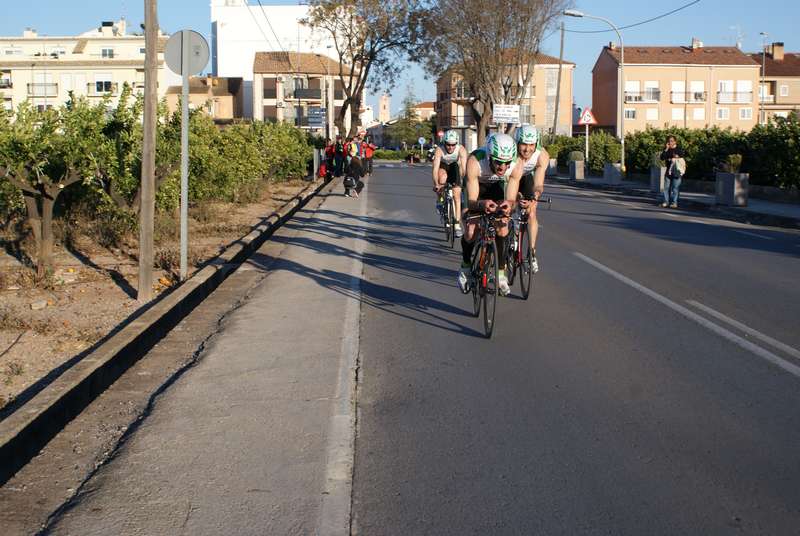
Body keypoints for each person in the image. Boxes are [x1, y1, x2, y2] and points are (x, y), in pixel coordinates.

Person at [458, 133, 521, 297]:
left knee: (502, 227)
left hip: (496, 187)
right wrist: (482, 204)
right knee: (471, 229)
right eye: (498, 162)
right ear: (489, 156)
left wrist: (509, 205)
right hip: (476, 187)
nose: (502, 167)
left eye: (506, 163)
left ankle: (500, 274)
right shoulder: (475, 161)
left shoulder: (516, 165)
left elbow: (512, 200)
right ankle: (465, 267)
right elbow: (472, 201)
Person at [512, 124, 548, 274]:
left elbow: (538, 184)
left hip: (526, 178)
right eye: (524, 145)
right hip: (509, 177)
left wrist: (534, 197)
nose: (527, 149)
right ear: (517, 143)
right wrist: (516, 197)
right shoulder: (512, 153)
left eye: (531, 145)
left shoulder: (542, 155)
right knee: (508, 208)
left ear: (536, 144)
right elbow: (509, 183)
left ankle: (532, 252)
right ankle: (509, 240)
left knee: (531, 211)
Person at [431, 129, 467, 237]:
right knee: (442, 179)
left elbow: (463, 169)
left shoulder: (461, 149)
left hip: (454, 166)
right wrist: (436, 184)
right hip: (443, 166)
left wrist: (462, 182)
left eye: (453, 145)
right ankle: (440, 200)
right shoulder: (439, 150)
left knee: (457, 194)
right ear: (444, 143)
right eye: (448, 145)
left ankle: (456, 224)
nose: (450, 147)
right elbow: (435, 169)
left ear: (457, 143)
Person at [660, 135, 685, 208]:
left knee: (675, 188)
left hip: (677, 172)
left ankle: (674, 203)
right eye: (668, 141)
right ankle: (666, 202)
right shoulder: (667, 150)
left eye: (671, 141)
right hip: (668, 171)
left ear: (675, 141)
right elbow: (662, 157)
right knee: (666, 187)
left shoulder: (679, 150)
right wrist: (666, 149)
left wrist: (675, 158)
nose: (670, 142)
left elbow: (682, 158)